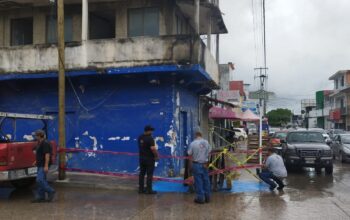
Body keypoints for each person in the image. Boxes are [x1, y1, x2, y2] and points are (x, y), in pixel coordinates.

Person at [188, 131, 212, 204]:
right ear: (201, 135)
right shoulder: (206, 142)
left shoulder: (192, 143)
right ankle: (207, 197)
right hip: (205, 164)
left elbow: (189, 154)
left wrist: (190, 166)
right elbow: (209, 152)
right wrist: (207, 162)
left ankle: (200, 198)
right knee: (206, 180)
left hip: (197, 164)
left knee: (198, 181)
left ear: (196, 136)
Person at [32, 130, 55, 203]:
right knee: (42, 180)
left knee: (39, 180)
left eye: (36, 135)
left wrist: (46, 166)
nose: (35, 137)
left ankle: (51, 191)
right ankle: (40, 196)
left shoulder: (45, 143)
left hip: (43, 164)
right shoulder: (40, 143)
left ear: (39, 136)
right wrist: (36, 161)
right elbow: (40, 154)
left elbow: (47, 155)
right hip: (40, 163)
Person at [138, 125, 159, 194]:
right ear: (148, 131)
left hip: (142, 158)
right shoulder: (150, 138)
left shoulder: (140, 137)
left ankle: (141, 189)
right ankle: (149, 190)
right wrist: (156, 156)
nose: (152, 132)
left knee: (142, 174)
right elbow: (153, 149)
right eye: (151, 130)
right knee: (149, 174)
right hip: (149, 159)